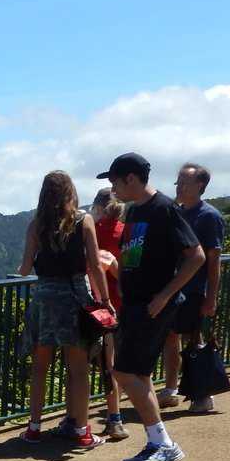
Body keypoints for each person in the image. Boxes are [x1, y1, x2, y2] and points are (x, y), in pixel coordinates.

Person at [97, 152, 205, 461]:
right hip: (135, 304)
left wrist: (164, 295)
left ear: (131, 178)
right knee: (138, 375)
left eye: (115, 180)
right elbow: (136, 258)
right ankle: (156, 442)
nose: (112, 187)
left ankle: (164, 444)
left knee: (125, 373)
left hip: (153, 305)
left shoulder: (164, 209)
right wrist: (116, 267)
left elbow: (196, 255)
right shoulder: (134, 212)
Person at [16, 172, 111, 448]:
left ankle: (33, 428)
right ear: (71, 192)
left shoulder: (36, 226)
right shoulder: (84, 221)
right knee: (78, 369)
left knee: (39, 369)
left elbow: (24, 268)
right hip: (75, 299)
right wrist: (105, 300)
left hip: (45, 299)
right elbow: (94, 265)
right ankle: (82, 431)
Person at [162, 163, 224, 413]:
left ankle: (202, 394)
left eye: (184, 181)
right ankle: (171, 388)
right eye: (178, 180)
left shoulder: (209, 216)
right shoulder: (177, 212)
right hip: (175, 287)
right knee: (170, 336)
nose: (178, 185)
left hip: (196, 288)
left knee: (194, 340)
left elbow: (214, 259)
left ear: (200, 185)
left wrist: (211, 297)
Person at [91, 189, 128, 441]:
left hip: (94, 307)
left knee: (83, 365)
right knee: (112, 364)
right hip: (119, 305)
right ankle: (114, 417)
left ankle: (78, 420)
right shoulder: (126, 232)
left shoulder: (89, 231)